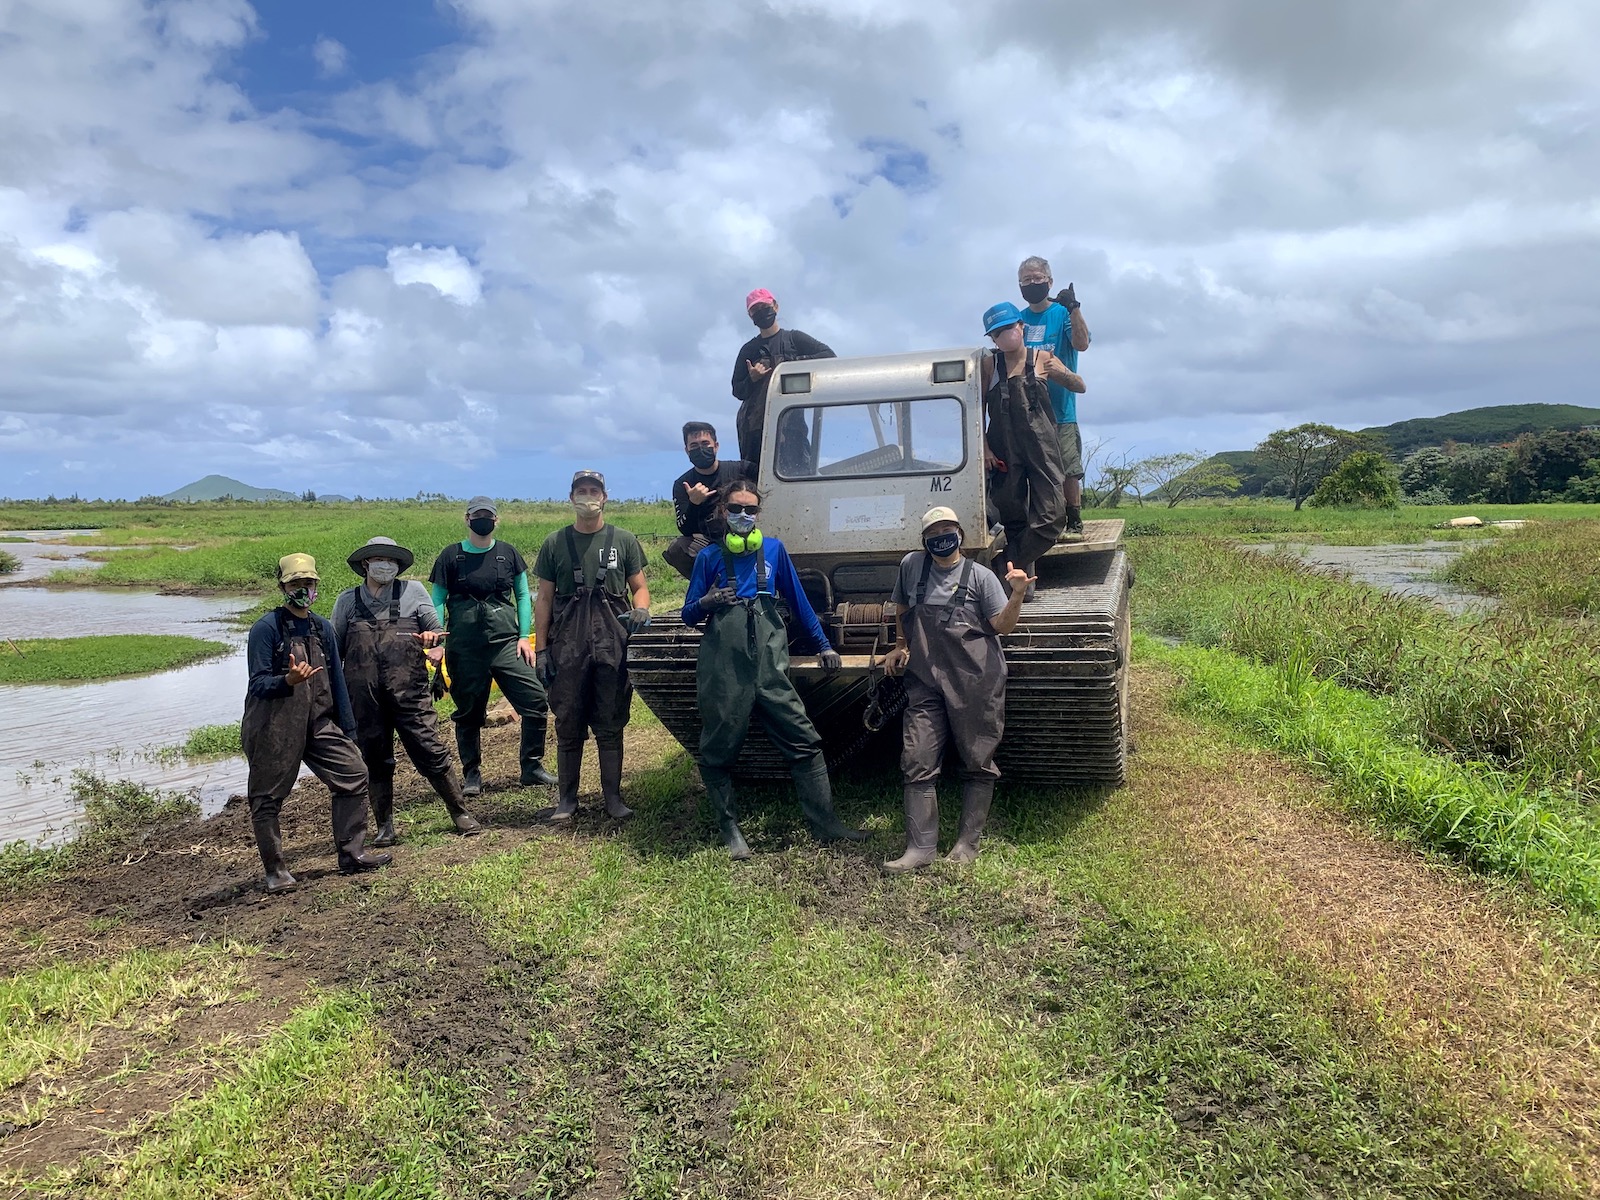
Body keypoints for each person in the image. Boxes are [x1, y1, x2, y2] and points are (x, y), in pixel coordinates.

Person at [680, 482, 865, 859]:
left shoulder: (775, 551)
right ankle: (730, 830)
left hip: (769, 664)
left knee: (804, 738)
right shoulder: (709, 557)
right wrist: (707, 601)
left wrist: (824, 644)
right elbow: (687, 614)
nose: (744, 516)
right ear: (722, 512)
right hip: (724, 665)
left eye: (751, 510)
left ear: (759, 514)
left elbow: (798, 601)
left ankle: (825, 824)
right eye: (736, 508)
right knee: (719, 745)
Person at [882, 508, 1031, 871]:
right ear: (924, 539)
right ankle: (920, 848)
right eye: (934, 530)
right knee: (917, 757)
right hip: (926, 680)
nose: (942, 535)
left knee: (978, 759)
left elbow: (1003, 627)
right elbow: (903, 605)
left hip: (975, 680)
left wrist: (1017, 594)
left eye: (948, 529)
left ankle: (967, 844)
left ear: (961, 534)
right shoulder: (911, 567)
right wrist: (901, 644)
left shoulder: (980, 577)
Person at [242, 553, 392, 893]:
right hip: (273, 727)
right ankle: (275, 871)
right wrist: (288, 681)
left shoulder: (322, 627)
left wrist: (349, 731)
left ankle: (352, 854)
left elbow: (337, 682)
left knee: (354, 774)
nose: (303, 589)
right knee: (266, 798)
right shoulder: (266, 629)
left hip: (319, 722)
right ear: (282, 586)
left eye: (308, 583)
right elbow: (257, 684)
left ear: (316, 585)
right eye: (296, 583)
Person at [332, 536, 481, 846]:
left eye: (392, 560)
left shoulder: (413, 591)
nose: (387, 565)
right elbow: (335, 651)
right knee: (374, 759)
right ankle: (384, 826)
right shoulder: (347, 601)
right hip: (363, 698)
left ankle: (459, 811)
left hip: (409, 693)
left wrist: (432, 639)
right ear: (365, 564)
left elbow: (437, 631)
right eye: (379, 559)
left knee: (430, 749)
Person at [533, 470, 652, 821]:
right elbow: (543, 598)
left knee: (610, 718)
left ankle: (612, 799)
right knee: (568, 719)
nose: (588, 496)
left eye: (594, 491)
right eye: (581, 491)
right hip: (568, 643)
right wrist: (541, 650)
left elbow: (639, 586)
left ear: (605, 497)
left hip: (612, 639)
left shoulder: (624, 540)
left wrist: (642, 607)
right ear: (571, 498)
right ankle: (567, 800)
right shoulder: (555, 542)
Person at [428, 497, 557, 796]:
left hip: (505, 645)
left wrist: (524, 637)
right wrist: (437, 638)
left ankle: (532, 767)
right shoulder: (450, 556)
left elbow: (524, 596)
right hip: (464, 647)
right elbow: (436, 600)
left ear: (496, 520)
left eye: (487, 516)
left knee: (536, 701)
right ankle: (472, 774)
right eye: (477, 515)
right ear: (467, 519)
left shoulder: (508, 554)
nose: (482, 520)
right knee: (469, 712)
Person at [981, 301, 1084, 588]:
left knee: (1052, 516)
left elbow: (1080, 385)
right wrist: (985, 449)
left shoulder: (1042, 357)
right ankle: (1018, 587)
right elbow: (976, 409)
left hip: (1042, 446)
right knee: (1013, 518)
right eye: (996, 333)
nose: (1004, 336)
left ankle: (1003, 565)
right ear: (991, 338)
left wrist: (1060, 372)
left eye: (1008, 328)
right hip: (1003, 448)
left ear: (1021, 327)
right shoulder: (990, 364)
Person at [1017, 256, 1093, 534]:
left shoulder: (1062, 313)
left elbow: (1081, 344)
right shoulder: (1018, 320)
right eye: (1026, 280)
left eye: (1037, 279)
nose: (1032, 284)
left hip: (1062, 408)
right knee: (1036, 469)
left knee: (1069, 468)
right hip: (1029, 410)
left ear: (1049, 282)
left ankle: (1074, 518)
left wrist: (1074, 308)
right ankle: (1046, 518)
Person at [730, 288, 836, 471]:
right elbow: (737, 390)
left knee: (799, 476)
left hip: (791, 426)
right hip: (755, 432)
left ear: (776, 307)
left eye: (765, 306)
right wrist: (752, 378)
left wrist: (792, 365)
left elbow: (829, 357)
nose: (761, 312)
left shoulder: (794, 339)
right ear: (750, 315)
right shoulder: (748, 351)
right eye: (756, 310)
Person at [664, 422, 755, 580]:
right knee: (678, 548)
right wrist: (694, 503)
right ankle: (710, 585)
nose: (700, 449)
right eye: (694, 445)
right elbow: (684, 529)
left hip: (748, 535)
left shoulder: (744, 470)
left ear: (716, 446)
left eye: (705, 443)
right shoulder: (682, 484)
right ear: (687, 450)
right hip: (710, 543)